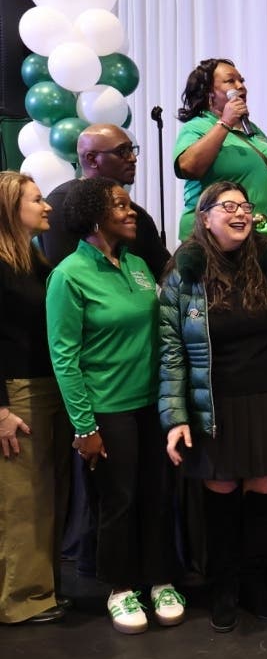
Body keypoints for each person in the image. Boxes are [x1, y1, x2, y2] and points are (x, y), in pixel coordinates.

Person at [159, 181, 267, 633]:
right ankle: (223, 587)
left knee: (264, 491)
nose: (240, 213)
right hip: (213, 402)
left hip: (264, 397)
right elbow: (171, 351)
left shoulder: (266, 265)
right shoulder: (184, 273)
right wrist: (176, 417)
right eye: (228, 207)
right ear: (204, 218)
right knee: (222, 494)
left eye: (245, 206)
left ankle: (254, 584)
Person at [45, 177, 183, 635]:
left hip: (152, 404)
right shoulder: (68, 275)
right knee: (118, 500)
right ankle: (120, 588)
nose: (132, 212)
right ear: (94, 217)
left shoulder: (138, 265)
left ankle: (160, 580)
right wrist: (84, 427)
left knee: (157, 494)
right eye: (120, 205)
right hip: (107, 408)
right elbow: (64, 358)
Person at [0, 172, 68, 625]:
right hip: (17, 392)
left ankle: (40, 588)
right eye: (37, 200)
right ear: (10, 209)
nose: (47, 207)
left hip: (44, 388)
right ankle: (22, 599)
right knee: (23, 498)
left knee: (44, 493)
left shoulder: (35, 261)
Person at [174, 58, 267, 240]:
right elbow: (188, 167)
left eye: (241, 80)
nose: (241, 86)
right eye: (230, 81)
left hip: (262, 237)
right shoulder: (197, 126)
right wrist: (225, 122)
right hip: (214, 241)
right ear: (208, 92)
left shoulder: (252, 130)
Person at [41, 124, 170, 280]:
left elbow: (167, 273)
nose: (133, 158)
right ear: (92, 159)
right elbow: (66, 272)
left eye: (131, 149)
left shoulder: (137, 215)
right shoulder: (61, 201)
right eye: (122, 151)